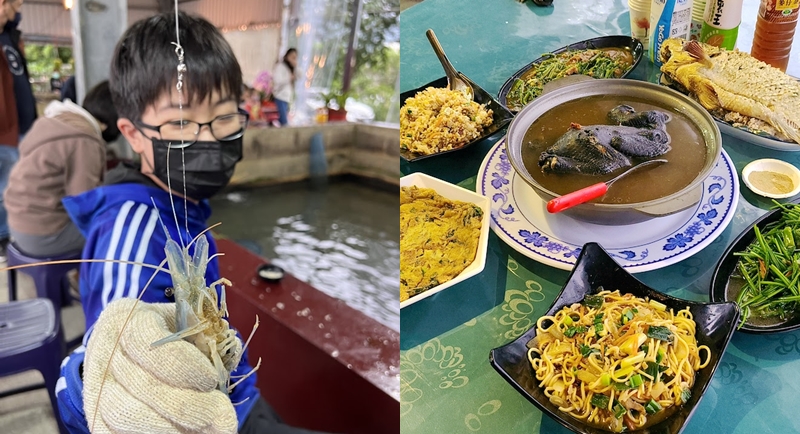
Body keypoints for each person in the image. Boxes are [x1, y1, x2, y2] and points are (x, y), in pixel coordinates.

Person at [56, 11, 335, 434]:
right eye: (182, 123)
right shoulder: (133, 229)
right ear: (132, 134)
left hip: (233, 391)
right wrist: (85, 381)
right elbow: (111, 349)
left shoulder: (185, 206)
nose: (207, 138)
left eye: (225, 118)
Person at [4, 80, 119, 258]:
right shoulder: (85, 141)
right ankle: (94, 281)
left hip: (18, 224)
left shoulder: (55, 120)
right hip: (43, 235)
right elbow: (84, 201)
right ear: (109, 123)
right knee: (121, 230)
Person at [0, 0, 36, 259]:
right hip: (5, 132)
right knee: (5, 187)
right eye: (15, 4)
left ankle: (13, 234)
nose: (18, 9)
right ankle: (3, 237)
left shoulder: (10, 36)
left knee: (20, 185)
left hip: (22, 128)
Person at [272, 48, 296, 126]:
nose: (293, 59)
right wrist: (289, 78)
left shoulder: (291, 68)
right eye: (292, 57)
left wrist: (295, 66)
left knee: (282, 120)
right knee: (284, 122)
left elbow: (300, 75)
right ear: (287, 56)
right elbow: (277, 81)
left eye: (295, 57)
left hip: (286, 98)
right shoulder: (280, 66)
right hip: (280, 96)